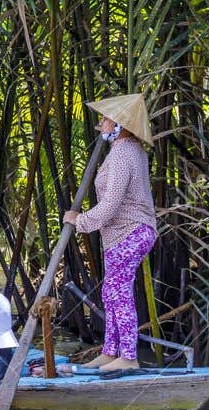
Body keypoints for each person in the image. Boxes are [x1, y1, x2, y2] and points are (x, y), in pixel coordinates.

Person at [64, 94, 157, 370]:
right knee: (110, 291)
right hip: (125, 233)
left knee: (119, 290)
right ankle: (110, 351)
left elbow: (111, 205)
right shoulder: (131, 149)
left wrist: (79, 220)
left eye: (105, 119)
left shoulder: (122, 153)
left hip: (131, 231)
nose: (101, 123)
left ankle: (128, 358)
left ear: (120, 125)